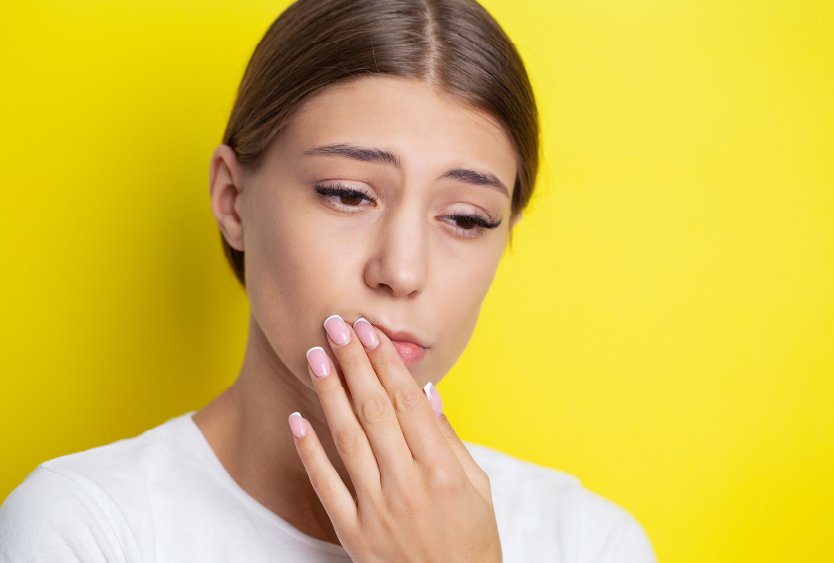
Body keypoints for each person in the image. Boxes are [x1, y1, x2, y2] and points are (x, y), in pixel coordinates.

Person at [0, 0, 656, 561]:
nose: (401, 270)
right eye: (347, 194)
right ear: (233, 200)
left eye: (464, 217)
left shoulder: (588, 541)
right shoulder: (86, 529)